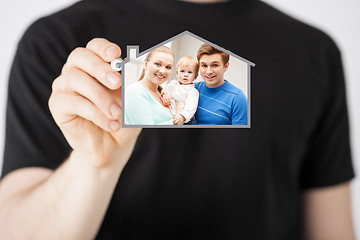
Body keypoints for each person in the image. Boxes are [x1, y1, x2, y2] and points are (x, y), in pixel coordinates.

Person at [0, 0, 355, 239]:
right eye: (170, 68)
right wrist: (95, 164)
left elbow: (332, 229)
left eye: (184, 69)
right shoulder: (59, 42)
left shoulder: (312, 51)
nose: (178, 73)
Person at [195, 43, 248, 125]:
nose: (208, 72)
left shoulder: (237, 98)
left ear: (226, 66)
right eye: (204, 65)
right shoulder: (192, 88)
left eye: (215, 65)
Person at [125, 46, 176, 125]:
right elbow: (146, 131)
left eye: (168, 67)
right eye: (158, 64)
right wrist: (180, 120)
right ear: (145, 64)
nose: (163, 71)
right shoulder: (135, 91)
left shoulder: (165, 94)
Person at [161, 56, 199, 125]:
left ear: (195, 76)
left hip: (186, 120)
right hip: (172, 116)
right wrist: (165, 94)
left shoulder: (192, 91)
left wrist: (182, 116)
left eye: (190, 72)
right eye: (182, 71)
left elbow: (191, 109)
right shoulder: (173, 84)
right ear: (177, 73)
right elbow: (165, 89)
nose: (185, 75)